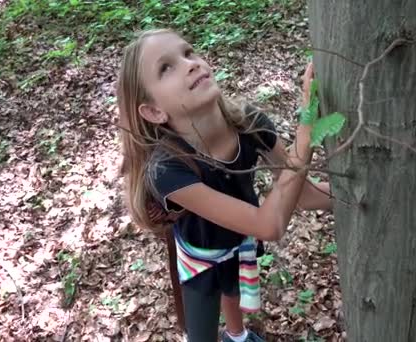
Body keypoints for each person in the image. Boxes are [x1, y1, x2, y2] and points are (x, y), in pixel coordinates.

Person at [116, 28, 332, 342]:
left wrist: (367, 196)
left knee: (233, 288)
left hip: (238, 240)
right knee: (202, 327)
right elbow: (269, 224)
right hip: (200, 257)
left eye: (188, 52)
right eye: (166, 68)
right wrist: (306, 130)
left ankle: (238, 335)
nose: (190, 63)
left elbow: (306, 195)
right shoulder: (168, 168)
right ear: (154, 111)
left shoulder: (250, 124)